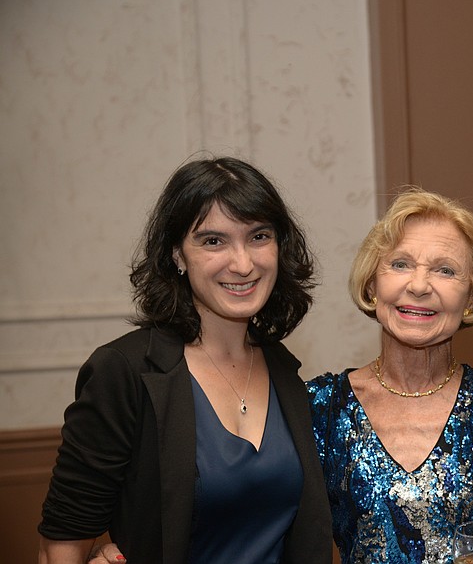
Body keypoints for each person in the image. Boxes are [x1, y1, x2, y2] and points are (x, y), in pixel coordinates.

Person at [38, 157, 333, 563]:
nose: (243, 263)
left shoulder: (284, 370)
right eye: (213, 241)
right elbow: (63, 540)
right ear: (177, 254)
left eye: (258, 236)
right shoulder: (125, 371)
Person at [307, 188, 473, 563]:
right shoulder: (322, 407)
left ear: (472, 297)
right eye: (401, 264)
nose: (419, 286)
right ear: (373, 285)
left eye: (445, 270)